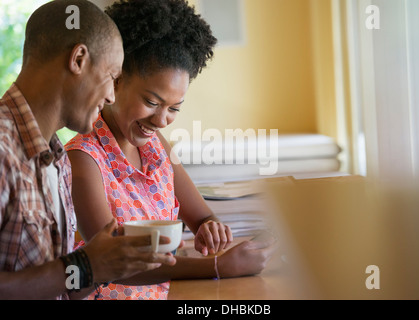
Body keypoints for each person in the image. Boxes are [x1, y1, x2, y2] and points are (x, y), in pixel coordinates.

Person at [65, 0, 276, 300]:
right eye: (151, 102)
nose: (161, 120)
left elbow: (202, 216)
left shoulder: (156, 145)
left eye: (174, 108)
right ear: (116, 81)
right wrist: (216, 266)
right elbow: (112, 264)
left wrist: (211, 228)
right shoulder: (83, 158)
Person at [0, 0, 176, 300]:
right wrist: (87, 265)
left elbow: (63, 288)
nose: (110, 96)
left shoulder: (56, 161)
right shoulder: (3, 150)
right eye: (112, 77)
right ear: (78, 59)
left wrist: (107, 266)